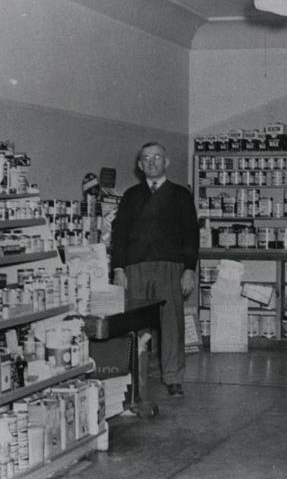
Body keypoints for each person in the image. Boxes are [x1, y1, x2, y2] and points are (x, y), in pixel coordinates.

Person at [110, 142, 199, 397]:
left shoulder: (180, 195)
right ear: (140, 165)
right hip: (135, 266)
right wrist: (118, 268)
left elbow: (191, 235)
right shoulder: (131, 195)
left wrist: (189, 269)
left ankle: (173, 377)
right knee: (134, 323)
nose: (152, 162)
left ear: (166, 162)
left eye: (157, 157)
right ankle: (132, 378)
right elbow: (120, 235)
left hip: (169, 266)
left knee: (171, 323)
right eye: (146, 158)